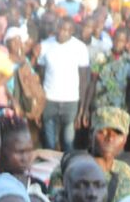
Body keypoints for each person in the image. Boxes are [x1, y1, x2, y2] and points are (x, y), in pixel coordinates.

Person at [37, 18, 90, 152]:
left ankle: (66, 171)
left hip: (71, 101)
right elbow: (41, 75)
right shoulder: (45, 45)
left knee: (68, 143)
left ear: (72, 31)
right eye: (60, 28)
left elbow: (84, 79)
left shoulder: (80, 48)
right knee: (49, 144)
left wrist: (82, 108)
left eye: (66, 30)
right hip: (49, 99)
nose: (62, 32)